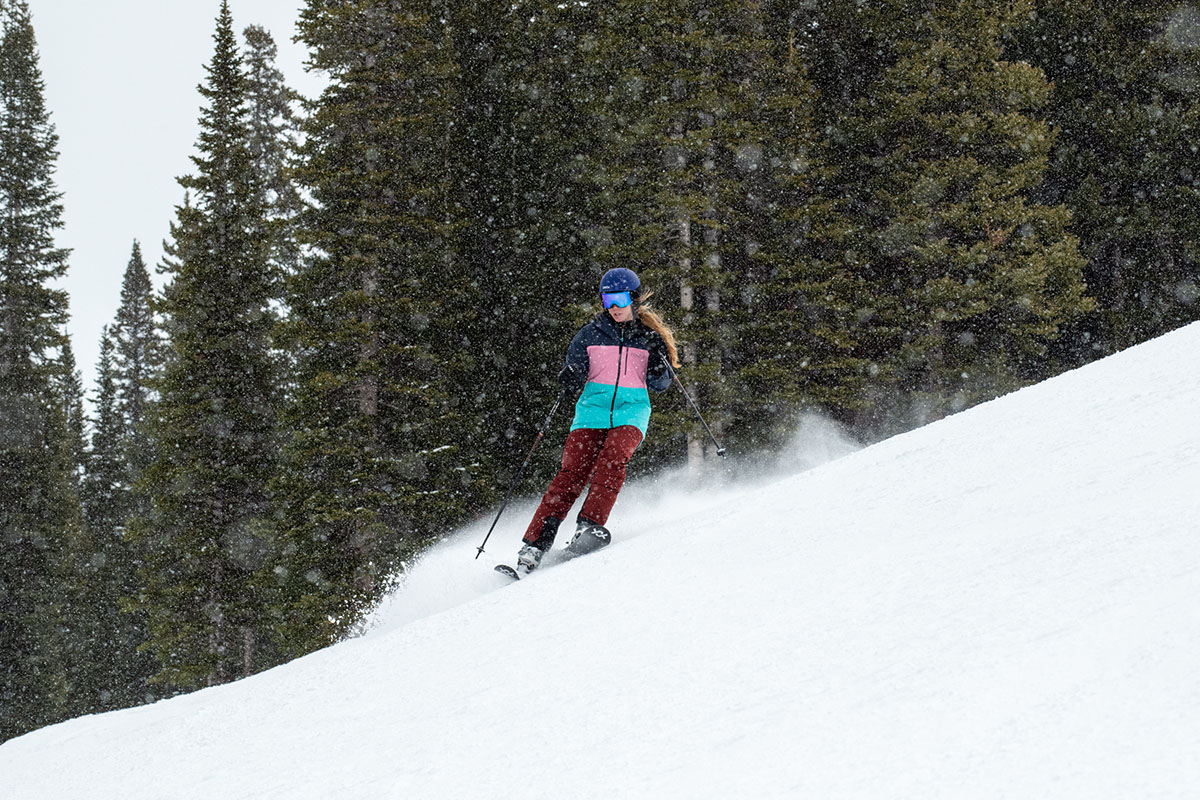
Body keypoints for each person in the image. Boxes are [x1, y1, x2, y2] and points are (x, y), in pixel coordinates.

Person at [516, 267, 681, 573]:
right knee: (572, 473)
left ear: (633, 298)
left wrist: (660, 365)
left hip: (631, 411)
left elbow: (660, 385)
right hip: (592, 410)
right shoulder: (589, 334)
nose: (614, 306)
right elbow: (574, 370)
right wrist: (571, 375)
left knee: (613, 459)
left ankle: (588, 526)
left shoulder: (648, 338)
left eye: (619, 299)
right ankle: (534, 545)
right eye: (608, 300)